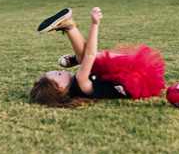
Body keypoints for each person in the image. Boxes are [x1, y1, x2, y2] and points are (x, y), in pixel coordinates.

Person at [28, 6, 167, 108]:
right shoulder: (81, 81)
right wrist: (94, 24)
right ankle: (72, 37)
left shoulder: (78, 86)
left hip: (127, 76)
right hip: (133, 76)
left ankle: (69, 27)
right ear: (62, 88)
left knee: (86, 59)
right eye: (59, 73)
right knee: (89, 58)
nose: (63, 70)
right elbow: (90, 54)